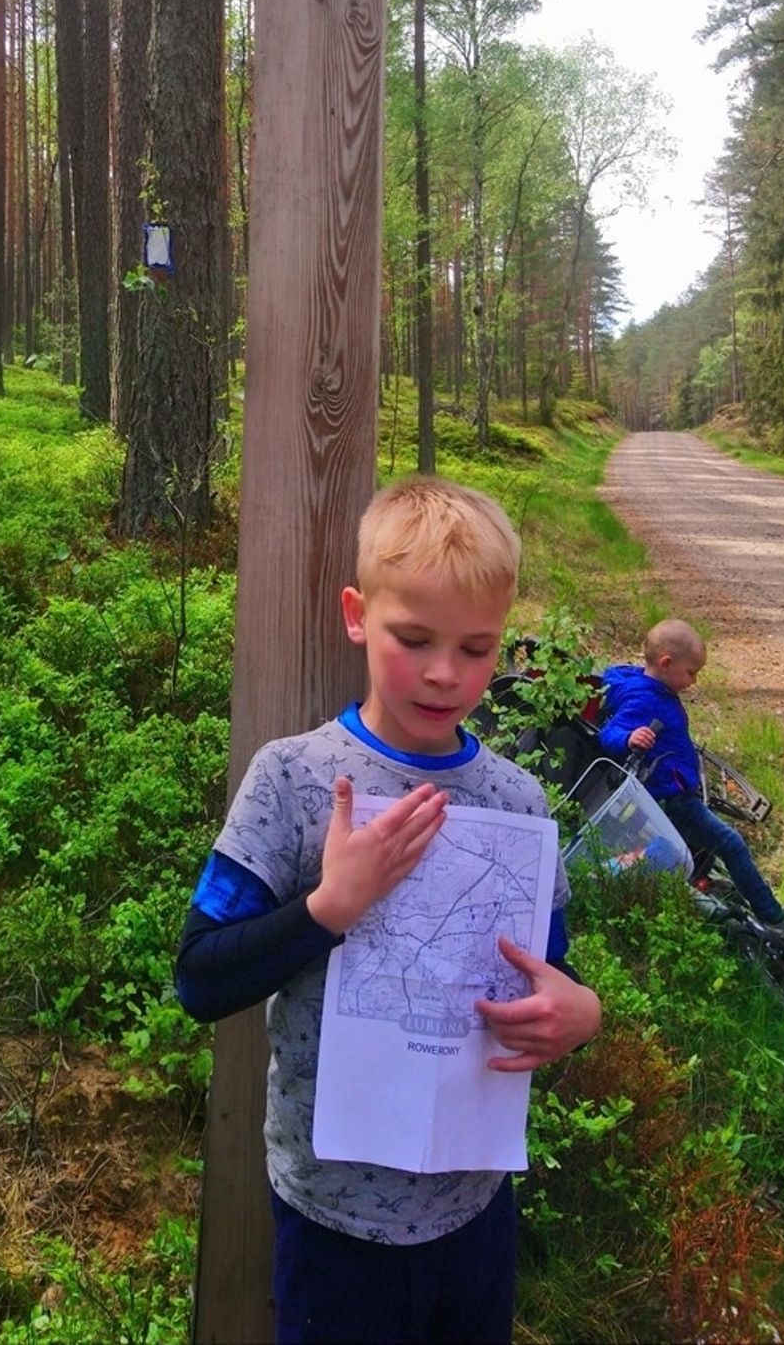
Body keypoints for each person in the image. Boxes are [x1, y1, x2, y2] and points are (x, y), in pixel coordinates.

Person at [175, 476, 601, 1345]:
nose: (445, 673)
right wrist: (330, 907)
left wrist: (581, 1014)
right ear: (357, 615)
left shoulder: (518, 805)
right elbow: (200, 977)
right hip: (331, 1219)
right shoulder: (294, 780)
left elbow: (549, 978)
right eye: (414, 639)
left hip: (475, 1209)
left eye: (477, 649)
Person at [597, 618, 784, 947]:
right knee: (731, 844)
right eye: (691, 672)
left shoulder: (652, 686)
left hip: (676, 792)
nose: (694, 681)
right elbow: (609, 734)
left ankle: (701, 899)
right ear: (666, 663)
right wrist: (629, 737)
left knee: (697, 853)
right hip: (672, 799)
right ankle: (775, 920)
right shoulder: (644, 698)